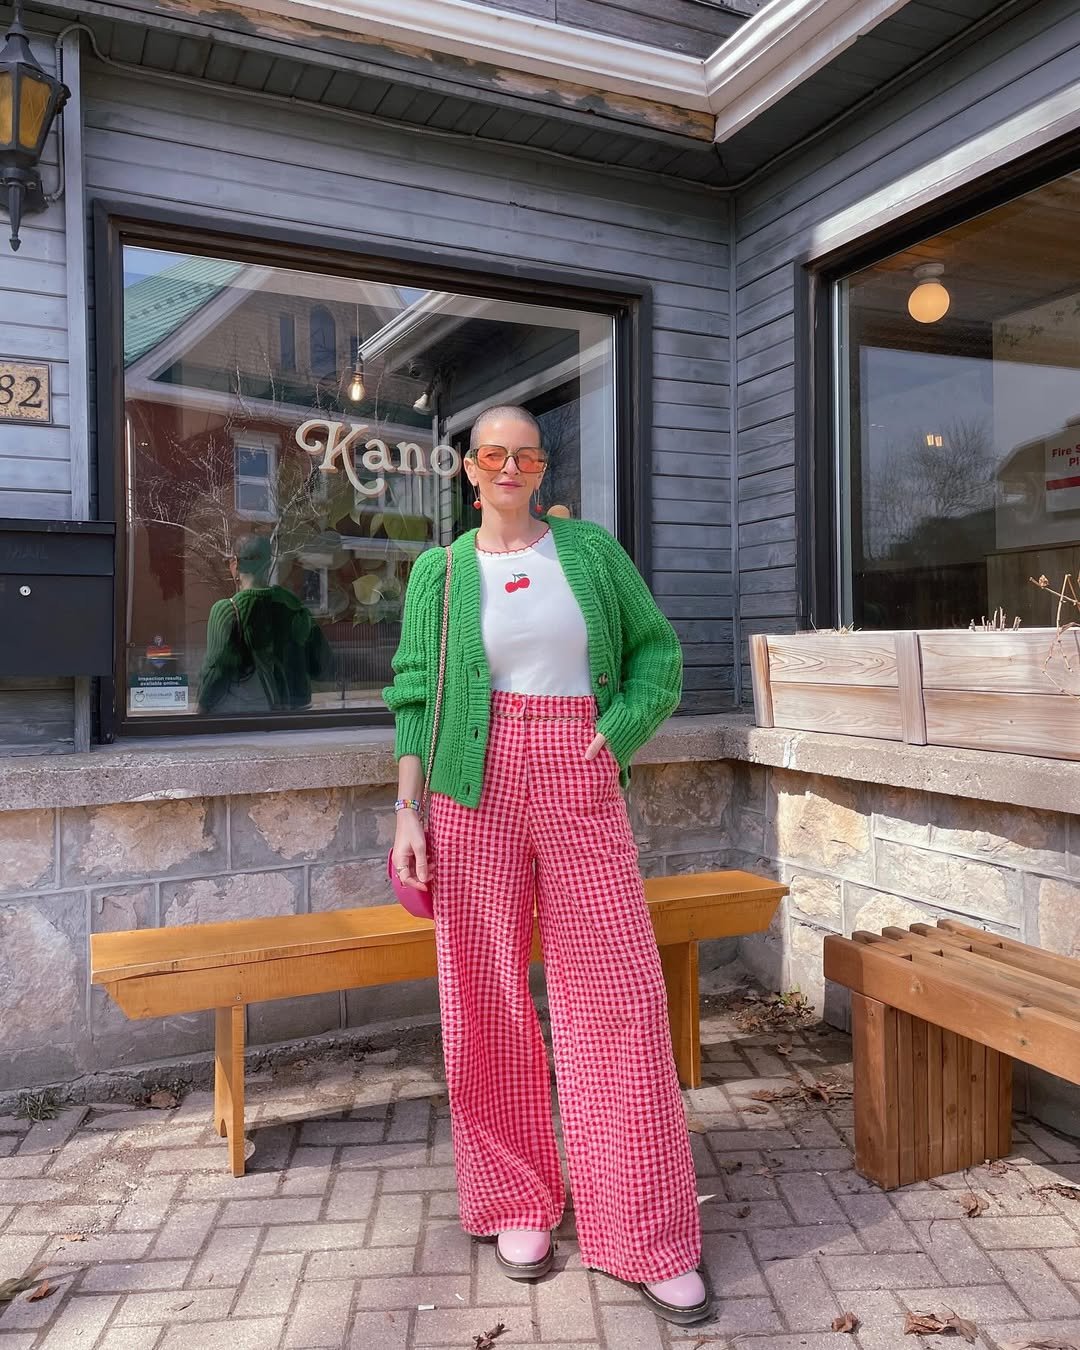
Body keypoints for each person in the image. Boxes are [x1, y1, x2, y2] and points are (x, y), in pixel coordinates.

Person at [383, 406, 709, 1325]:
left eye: (525, 454)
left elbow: (658, 655)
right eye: (493, 453)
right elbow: (414, 696)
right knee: (483, 995)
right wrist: (407, 813)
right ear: (469, 469)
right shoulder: (440, 572)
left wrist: (617, 736)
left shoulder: (591, 552)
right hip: (468, 785)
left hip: (579, 766)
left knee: (618, 993)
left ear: (541, 466)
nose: (509, 466)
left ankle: (644, 1230)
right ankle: (516, 1200)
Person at [198, 533, 331, 714]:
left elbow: (217, 673)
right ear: (269, 564)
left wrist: (199, 712)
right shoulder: (294, 606)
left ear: (235, 563)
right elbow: (322, 666)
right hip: (297, 718)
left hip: (250, 719)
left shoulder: (227, 610)